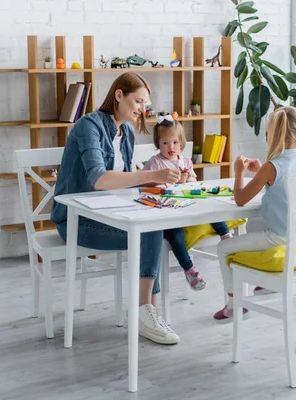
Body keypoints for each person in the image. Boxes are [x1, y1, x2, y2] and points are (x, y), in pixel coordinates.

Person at [51, 72, 182, 344]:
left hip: (110, 215)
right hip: (76, 221)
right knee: (150, 232)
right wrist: (149, 177)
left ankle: (148, 313)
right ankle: (147, 313)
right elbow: (99, 179)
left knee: (157, 225)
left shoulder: (128, 132)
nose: (142, 109)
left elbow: (123, 180)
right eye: (138, 101)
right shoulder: (89, 126)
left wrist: (154, 186)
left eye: (145, 104)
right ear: (119, 95)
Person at [212, 106, 296, 324]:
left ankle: (234, 306)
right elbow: (280, 186)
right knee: (253, 226)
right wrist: (259, 172)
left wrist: (239, 172)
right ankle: (265, 283)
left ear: (274, 134)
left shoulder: (272, 167)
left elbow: (240, 199)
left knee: (223, 248)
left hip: (281, 239)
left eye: (268, 131)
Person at [143, 116, 232, 291]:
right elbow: (147, 184)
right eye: (165, 142)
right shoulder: (155, 162)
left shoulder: (185, 161)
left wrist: (186, 178)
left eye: (175, 142)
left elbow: (193, 180)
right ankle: (190, 270)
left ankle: (224, 233)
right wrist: (164, 180)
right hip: (168, 211)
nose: (171, 147)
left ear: (181, 144)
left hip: (189, 206)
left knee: (209, 204)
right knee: (175, 235)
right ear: (158, 143)